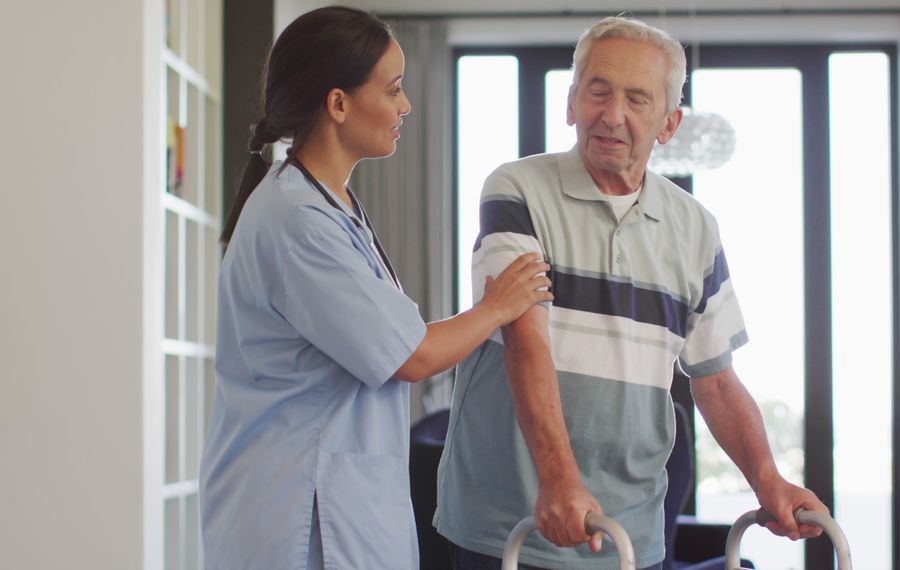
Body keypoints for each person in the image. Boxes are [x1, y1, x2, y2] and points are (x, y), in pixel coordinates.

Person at [434, 16, 827, 570]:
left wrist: (769, 482)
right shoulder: (516, 189)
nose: (612, 115)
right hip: (509, 526)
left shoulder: (695, 229)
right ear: (571, 103)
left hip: (630, 532)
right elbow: (527, 342)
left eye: (637, 99)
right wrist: (559, 482)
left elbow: (714, 380)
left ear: (668, 125)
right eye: (598, 91)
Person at [198, 7, 552, 570]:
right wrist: (496, 307)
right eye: (392, 90)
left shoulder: (327, 204)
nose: (404, 106)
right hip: (299, 513)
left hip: (337, 500)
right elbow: (411, 355)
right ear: (338, 104)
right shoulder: (298, 220)